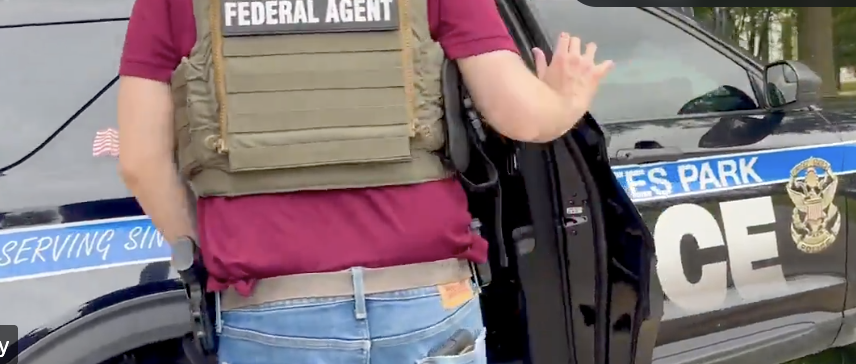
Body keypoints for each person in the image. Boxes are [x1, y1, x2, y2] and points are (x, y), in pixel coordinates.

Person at [116, 0, 613, 363]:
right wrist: (566, 99)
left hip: (273, 307)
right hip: (426, 300)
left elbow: (140, 161)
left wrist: (213, 252)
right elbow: (522, 118)